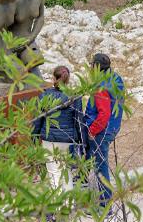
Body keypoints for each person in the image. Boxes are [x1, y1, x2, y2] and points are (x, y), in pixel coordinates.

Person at [82, 52, 127, 206]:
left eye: (91, 65)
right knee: (99, 163)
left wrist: (91, 131)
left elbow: (103, 115)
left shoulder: (100, 86)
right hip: (113, 127)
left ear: (96, 67)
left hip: (102, 130)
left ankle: (104, 205)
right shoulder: (116, 79)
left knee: (101, 167)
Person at [31, 65, 86, 190]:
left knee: (54, 173)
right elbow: (79, 121)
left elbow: (38, 120)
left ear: (53, 78)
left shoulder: (45, 95)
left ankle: (59, 207)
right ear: (68, 79)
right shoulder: (74, 96)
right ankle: (69, 205)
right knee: (66, 172)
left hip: (49, 140)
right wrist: (82, 142)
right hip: (67, 140)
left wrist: (34, 137)